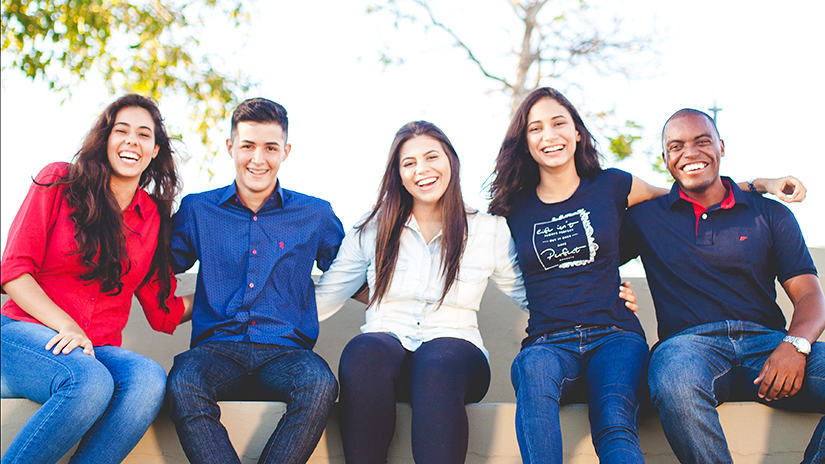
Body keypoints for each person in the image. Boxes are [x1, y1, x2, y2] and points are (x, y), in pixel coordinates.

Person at [486, 87, 801, 463]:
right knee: (531, 370)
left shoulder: (614, 185)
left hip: (615, 335)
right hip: (547, 341)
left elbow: (684, 194)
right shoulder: (511, 208)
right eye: (536, 128)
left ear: (577, 133)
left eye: (559, 123)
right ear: (524, 141)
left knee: (615, 425)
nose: (549, 135)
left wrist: (757, 185)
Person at [314, 120, 639, 463]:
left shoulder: (488, 230)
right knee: (363, 352)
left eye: (431, 157)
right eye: (409, 163)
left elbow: (536, 293)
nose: (421, 170)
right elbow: (329, 292)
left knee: (437, 361)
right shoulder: (372, 228)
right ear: (398, 173)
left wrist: (604, 294)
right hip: (386, 347)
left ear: (451, 162)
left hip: (456, 353)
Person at [620, 108, 824, 464]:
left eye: (702, 142)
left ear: (721, 147)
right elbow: (587, 251)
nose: (691, 153)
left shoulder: (770, 213)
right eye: (677, 146)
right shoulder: (645, 218)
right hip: (689, 349)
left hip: (769, 346)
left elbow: (809, 294)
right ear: (666, 158)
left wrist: (796, 344)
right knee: (675, 381)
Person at [0, 94, 190, 464]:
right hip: (21, 332)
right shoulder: (58, 181)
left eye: (143, 135)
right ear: (105, 139)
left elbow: (161, 310)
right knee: (90, 382)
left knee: (149, 380)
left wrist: (228, 294)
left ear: (154, 151)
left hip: (94, 349)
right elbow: (13, 272)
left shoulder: (151, 217)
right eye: (121, 130)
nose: (132, 140)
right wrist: (67, 326)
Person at [166, 97, 345, 464]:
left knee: (320, 384)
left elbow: (350, 271)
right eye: (247, 146)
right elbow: (157, 266)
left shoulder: (315, 214)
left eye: (270, 148)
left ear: (286, 151)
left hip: (287, 352)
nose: (258, 159)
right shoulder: (199, 210)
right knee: (183, 382)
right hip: (217, 348)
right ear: (231, 146)